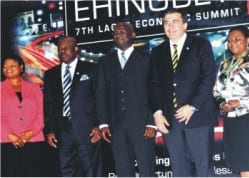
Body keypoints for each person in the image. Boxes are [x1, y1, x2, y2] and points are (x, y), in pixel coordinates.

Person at [149, 9, 217, 176]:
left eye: (174, 21)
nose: (170, 26)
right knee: (179, 169)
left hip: (198, 116)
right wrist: (157, 113)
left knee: (203, 167)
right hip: (169, 121)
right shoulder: (157, 52)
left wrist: (192, 106)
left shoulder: (200, 45)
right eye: (166, 22)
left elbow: (208, 78)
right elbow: (153, 84)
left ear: (185, 25)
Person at [96, 22, 156, 177]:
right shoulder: (105, 62)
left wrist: (151, 121)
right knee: (122, 170)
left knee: (147, 169)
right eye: (115, 32)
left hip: (142, 125)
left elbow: (155, 91)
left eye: (123, 31)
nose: (118, 34)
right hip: (116, 126)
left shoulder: (147, 59)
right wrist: (103, 123)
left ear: (133, 35)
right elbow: (100, 93)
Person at [213, 26, 249, 177]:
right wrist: (222, 104)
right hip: (232, 120)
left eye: (237, 39)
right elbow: (216, 91)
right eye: (230, 40)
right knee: (242, 162)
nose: (233, 43)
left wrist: (241, 102)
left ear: (248, 41)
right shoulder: (224, 64)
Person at [43, 36, 102, 176]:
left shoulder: (92, 69)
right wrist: (49, 130)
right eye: (60, 49)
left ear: (76, 49)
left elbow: (100, 98)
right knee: (66, 171)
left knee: (92, 171)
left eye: (66, 48)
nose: (62, 51)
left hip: (88, 131)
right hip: (62, 133)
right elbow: (49, 104)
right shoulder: (51, 74)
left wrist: (99, 125)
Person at [1, 55, 46, 176]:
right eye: (4, 67)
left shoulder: (35, 88)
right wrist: (10, 135)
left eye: (12, 65)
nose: (7, 69)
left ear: (21, 68)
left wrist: (29, 134)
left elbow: (41, 114)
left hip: (33, 140)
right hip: (7, 141)